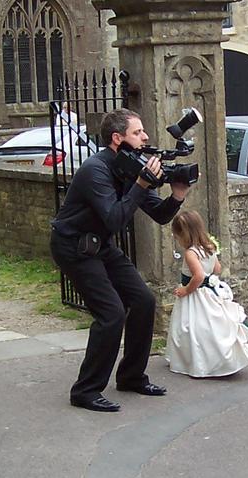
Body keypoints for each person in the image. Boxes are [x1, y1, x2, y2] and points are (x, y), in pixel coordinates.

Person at [50, 108, 190, 412]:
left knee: (143, 300)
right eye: (138, 132)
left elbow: (161, 215)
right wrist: (141, 184)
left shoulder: (131, 167)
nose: (146, 137)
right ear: (118, 138)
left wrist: (176, 195)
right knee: (111, 313)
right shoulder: (95, 169)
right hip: (74, 246)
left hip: (99, 244)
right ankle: (85, 390)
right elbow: (114, 218)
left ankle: (131, 376)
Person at [166, 210, 248, 377]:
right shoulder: (209, 247)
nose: (176, 239)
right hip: (210, 293)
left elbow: (199, 276)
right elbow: (217, 269)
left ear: (184, 234)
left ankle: (194, 360)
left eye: (177, 236)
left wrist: (185, 290)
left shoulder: (191, 253)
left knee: (191, 327)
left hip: (194, 296)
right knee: (210, 326)